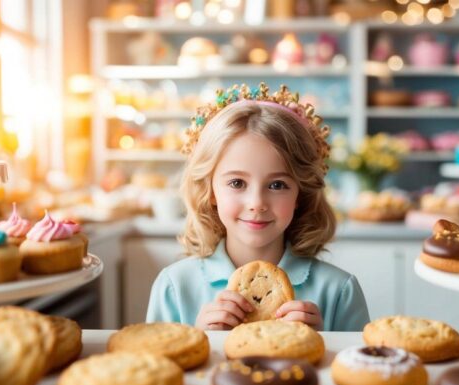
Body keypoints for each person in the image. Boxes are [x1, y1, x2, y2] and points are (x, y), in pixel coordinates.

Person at [146, 83, 369, 331]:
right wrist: (198, 338)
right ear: (210, 192)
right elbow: (153, 366)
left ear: (300, 194)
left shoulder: (339, 291)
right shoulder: (174, 286)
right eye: (237, 183)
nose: (257, 203)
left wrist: (325, 343)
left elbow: (363, 366)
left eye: (277, 185)